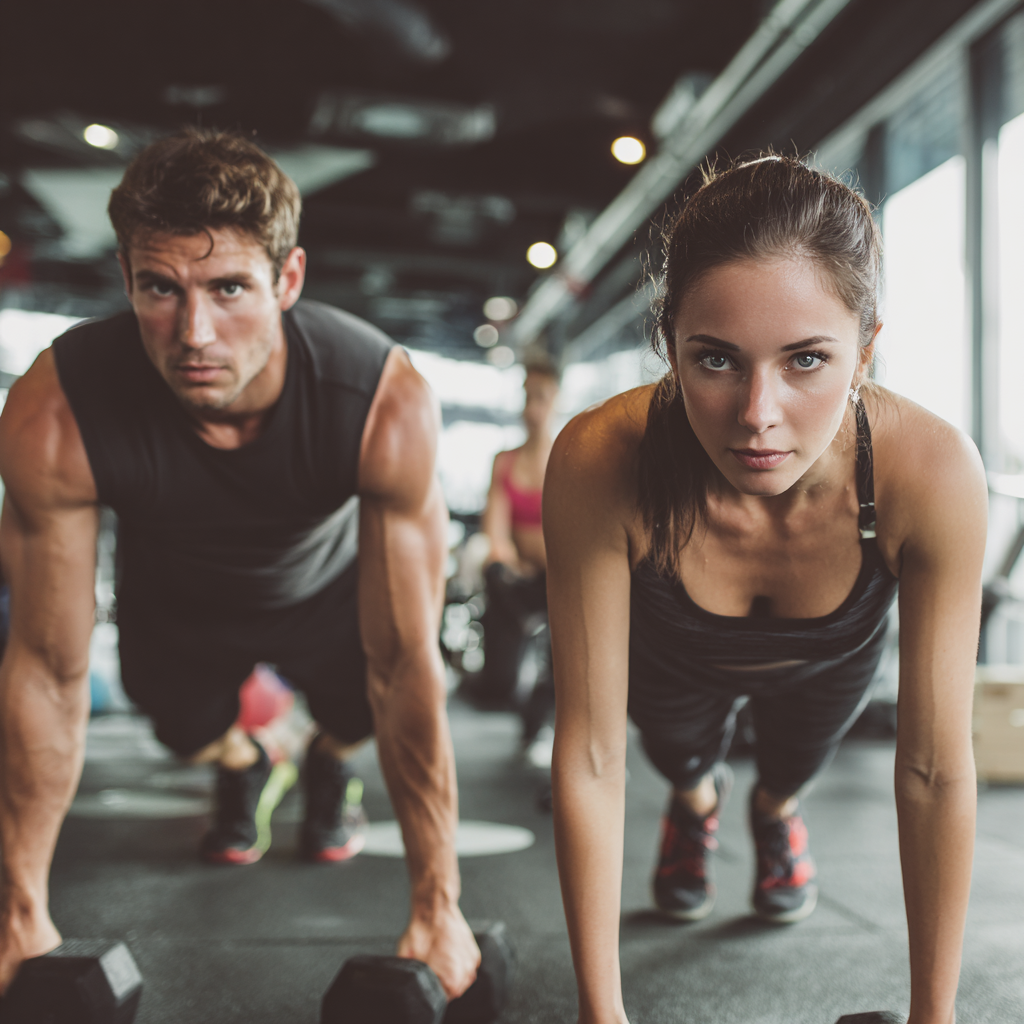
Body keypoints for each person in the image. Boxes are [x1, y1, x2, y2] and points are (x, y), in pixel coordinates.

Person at [0, 129, 480, 998]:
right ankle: (244, 761)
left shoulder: (380, 401)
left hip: (328, 597)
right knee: (181, 730)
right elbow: (46, 665)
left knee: (363, 713)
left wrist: (438, 904)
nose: (194, 332)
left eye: (229, 289)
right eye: (161, 288)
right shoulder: (58, 410)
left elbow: (407, 661)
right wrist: (18, 907)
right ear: (126, 280)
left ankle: (326, 760)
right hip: (175, 606)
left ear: (287, 280)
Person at [544, 156, 985, 1024]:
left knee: (788, 773)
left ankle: (774, 811)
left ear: (866, 348)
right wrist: (602, 1015)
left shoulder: (930, 471)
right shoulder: (601, 459)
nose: (757, 414)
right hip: (670, 662)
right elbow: (593, 758)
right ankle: (696, 801)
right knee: (680, 760)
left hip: (829, 664)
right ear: (669, 339)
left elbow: (934, 768)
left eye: (807, 360)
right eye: (716, 360)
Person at [477, 358, 560, 742]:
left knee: (564, 663)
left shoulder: (570, 457)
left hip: (565, 579)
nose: (532, 409)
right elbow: (495, 530)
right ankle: (508, 679)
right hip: (522, 581)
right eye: (527, 398)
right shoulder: (504, 462)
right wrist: (504, 559)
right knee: (493, 571)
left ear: (557, 399)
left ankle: (542, 710)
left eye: (541, 398)